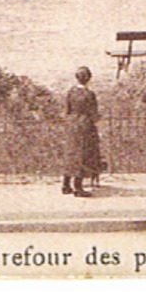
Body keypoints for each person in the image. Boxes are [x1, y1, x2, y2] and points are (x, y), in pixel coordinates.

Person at [62, 66, 101, 197]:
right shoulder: (89, 94)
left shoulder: (71, 92)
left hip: (71, 125)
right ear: (89, 78)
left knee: (70, 153)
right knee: (83, 155)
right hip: (84, 125)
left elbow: (67, 110)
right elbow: (94, 113)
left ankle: (66, 184)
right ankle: (78, 188)